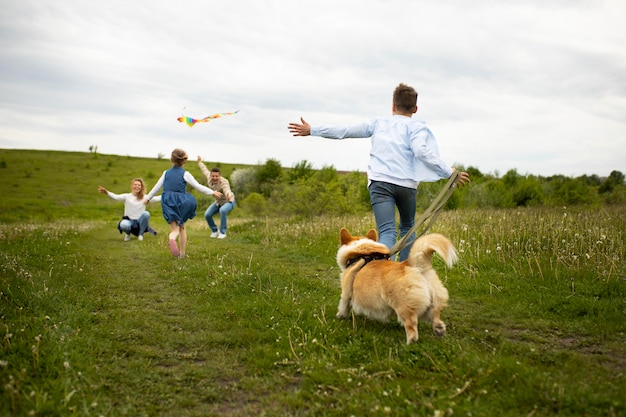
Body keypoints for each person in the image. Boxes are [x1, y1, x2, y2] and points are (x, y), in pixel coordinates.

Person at [288, 82, 470, 261]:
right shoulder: (417, 127)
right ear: (415, 109)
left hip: (380, 184)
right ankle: (405, 273)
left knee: (387, 231)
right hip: (407, 185)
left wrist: (312, 130)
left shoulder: (379, 123)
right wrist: (449, 172)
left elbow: (346, 131)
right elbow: (422, 151)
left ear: (392, 105)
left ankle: (383, 271)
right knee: (408, 228)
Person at [145, 148, 223, 258]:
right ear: (184, 161)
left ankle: (172, 238)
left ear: (171, 160)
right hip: (181, 202)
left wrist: (148, 198)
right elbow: (198, 186)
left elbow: (156, 188)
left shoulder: (165, 173)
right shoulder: (185, 174)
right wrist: (212, 192)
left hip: (167, 201)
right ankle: (182, 253)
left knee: (174, 229)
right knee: (182, 227)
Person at [197, 156, 236, 239]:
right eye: (213, 176)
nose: (214, 178)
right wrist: (200, 162)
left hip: (229, 201)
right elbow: (205, 170)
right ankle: (215, 231)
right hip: (218, 202)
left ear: (219, 176)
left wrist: (228, 195)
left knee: (223, 210)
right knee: (207, 214)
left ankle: (223, 232)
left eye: (216, 176)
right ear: (211, 176)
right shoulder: (209, 178)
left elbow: (227, 189)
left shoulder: (224, 182)